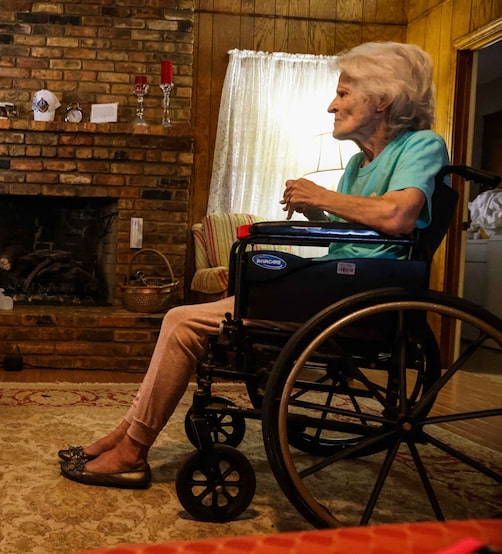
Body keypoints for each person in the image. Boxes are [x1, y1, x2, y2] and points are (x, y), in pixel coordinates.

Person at [58, 41, 450, 489]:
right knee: (214, 298)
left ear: (383, 98)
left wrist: (322, 196)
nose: (331, 105)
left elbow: (399, 216)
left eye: (343, 93)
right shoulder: (361, 163)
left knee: (182, 322)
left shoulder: (422, 146)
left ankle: (131, 448)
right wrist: (318, 213)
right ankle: (124, 434)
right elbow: (355, 234)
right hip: (338, 285)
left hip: (362, 297)